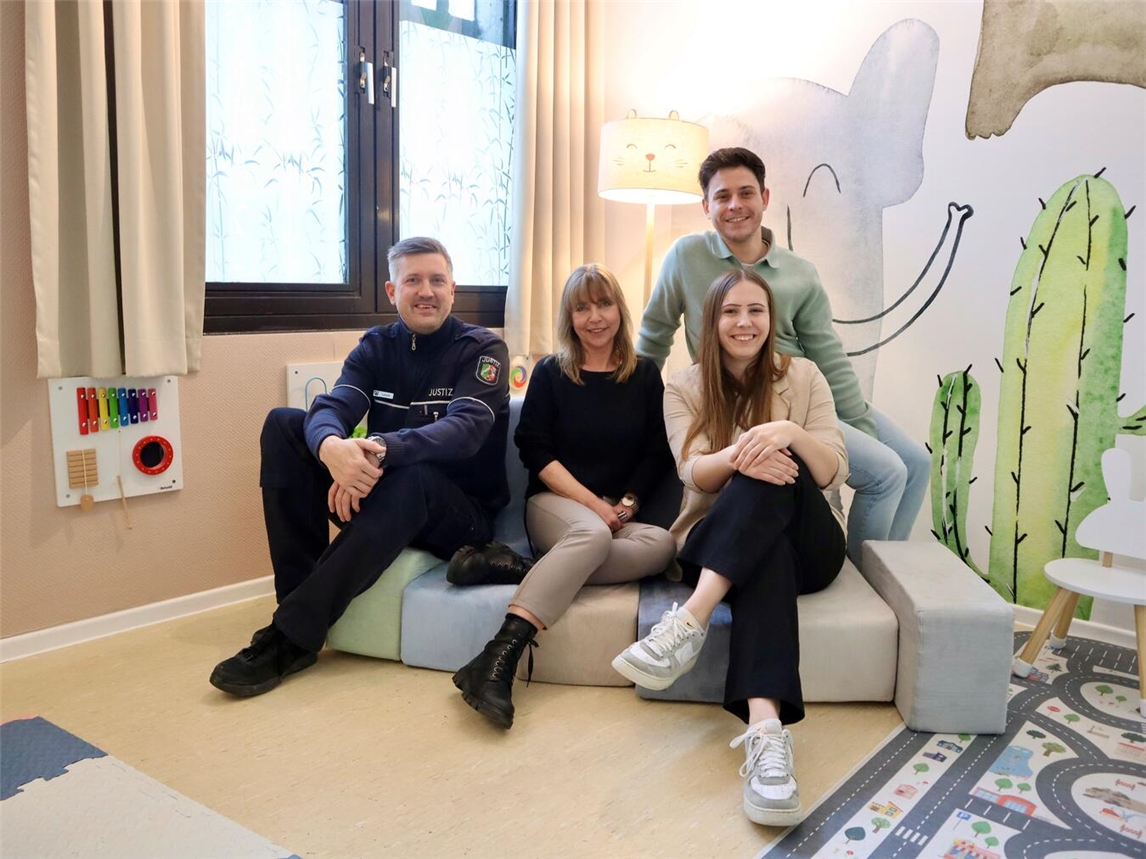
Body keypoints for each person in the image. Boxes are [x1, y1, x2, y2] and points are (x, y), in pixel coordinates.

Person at [209, 237, 526, 697]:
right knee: (285, 425)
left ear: (453, 290)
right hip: (385, 491)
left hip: (460, 516)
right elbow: (332, 406)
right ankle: (296, 607)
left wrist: (376, 448)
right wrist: (332, 449)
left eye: (437, 280)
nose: (426, 291)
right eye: (412, 280)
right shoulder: (377, 346)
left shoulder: (481, 350)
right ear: (391, 291)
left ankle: (289, 635)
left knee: (415, 476)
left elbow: (464, 431)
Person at [614, 269, 848, 826]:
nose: (744, 323)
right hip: (729, 542)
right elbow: (693, 471)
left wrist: (785, 434)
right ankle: (767, 738)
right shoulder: (685, 386)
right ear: (711, 321)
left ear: (771, 320)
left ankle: (689, 621)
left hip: (813, 544)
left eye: (756, 311)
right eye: (730, 312)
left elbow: (833, 469)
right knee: (762, 527)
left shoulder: (806, 376)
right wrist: (748, 449)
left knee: (777, 467)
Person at [635, 147, 928, 565]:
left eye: (746, 193)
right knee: (887, 471)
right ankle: (857, 574)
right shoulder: (686, 257)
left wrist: (855, 422)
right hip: (751, 398)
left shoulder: (799, 272)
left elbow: (826, 353)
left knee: (916, 463)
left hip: (806, 388)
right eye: (722, 196)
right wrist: (637, 405)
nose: (735, 205)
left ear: (765, 198)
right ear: (706, 206)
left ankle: (888, 573)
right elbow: (654, 335)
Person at [452, 264, 677, 729]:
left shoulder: (646, 374)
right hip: (555, 506)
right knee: (592, 535)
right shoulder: (551, 373)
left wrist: (628, 504)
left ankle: (518, 568)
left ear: (620, 309)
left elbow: (658, 452)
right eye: (582, 307)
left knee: (662, 545)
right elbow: (534, 450)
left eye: (604, 304)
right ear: (569, 317)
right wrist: (596, 506)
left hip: (618, 513)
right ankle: (498, 658)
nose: (595, 317)